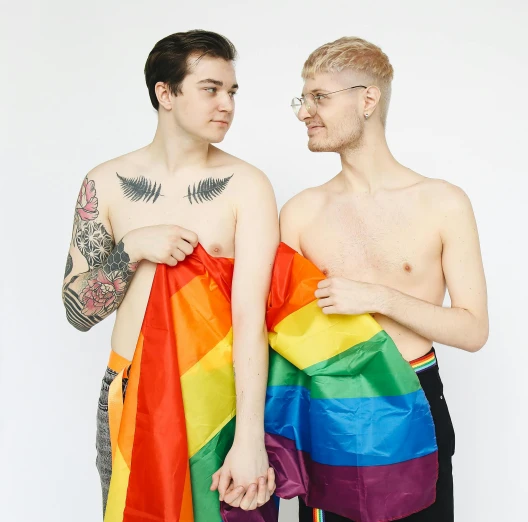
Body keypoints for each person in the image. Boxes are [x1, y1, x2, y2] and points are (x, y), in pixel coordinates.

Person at [60, 29, 277, 517]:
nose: (226, 104)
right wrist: (131, 249)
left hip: (220, 390)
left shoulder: (248, 186)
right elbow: (77, 311)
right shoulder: (105, 183)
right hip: (130, 386)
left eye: (232, 91)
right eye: (210, 88)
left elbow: (251, 318)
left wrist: (249, 438)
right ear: (165, 93)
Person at [283, 36, 489, 522]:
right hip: (333, 405)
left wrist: (376, 297)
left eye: (319, 98)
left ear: (367, 100)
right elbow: (280, 332)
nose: (303, 112)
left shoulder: (442, 202)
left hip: (415, 392)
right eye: (302, 98)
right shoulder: (301, 213)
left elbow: (473, 329)